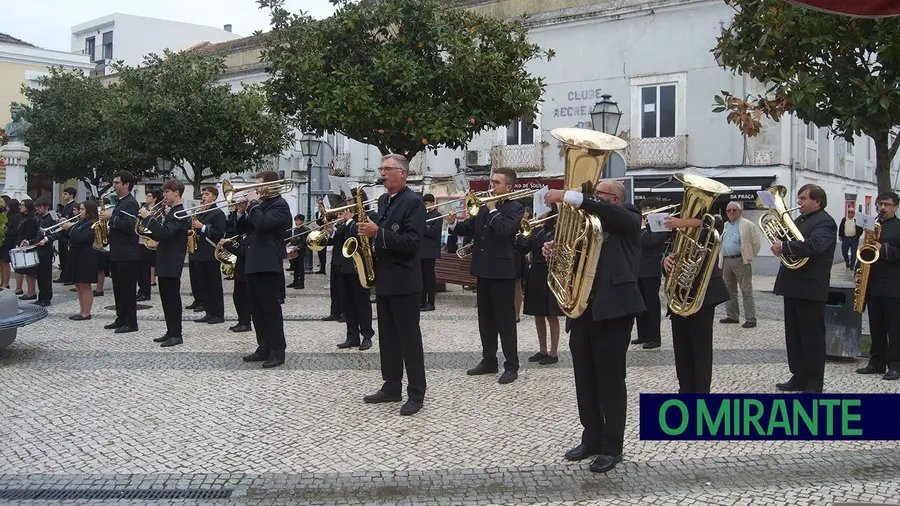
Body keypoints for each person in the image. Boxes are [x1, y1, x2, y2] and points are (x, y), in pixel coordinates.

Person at [543, 179, 644, 474]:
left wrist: (571, 195)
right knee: (585, 379)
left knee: (611, 381)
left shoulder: (628, 215)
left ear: (612, 198)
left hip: (614, 311)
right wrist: (557, 250)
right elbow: (574, 261)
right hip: (583, 309)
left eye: (596, 194)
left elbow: (609, 213)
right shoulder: (586, 226)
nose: (590, 198)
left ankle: (613, 447)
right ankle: (591, 438)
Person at [357, 154, 427, 416]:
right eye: (382, 169)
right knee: (387, 338)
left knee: (409, 339)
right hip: (385, 278)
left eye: (388, 169)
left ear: (403, 173)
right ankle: (391, 386)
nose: (383, 173)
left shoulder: (414, 202)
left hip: (405, 280)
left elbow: (411, 243)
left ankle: (416, 392)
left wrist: (379, 233)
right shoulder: (385, 200)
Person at [446, 168, 526, 384]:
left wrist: (492, 209)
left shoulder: (516, 208)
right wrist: (453, 223)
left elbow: (503, 230)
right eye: (492, 182)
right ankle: (489, 360)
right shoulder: (481, 208)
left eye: (497, 183)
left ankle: (512, 365)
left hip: (502, 272)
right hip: (482, 270)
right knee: (486, 319)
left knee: (505, 320)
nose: (492, 186)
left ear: (508, 187)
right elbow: (467, 229)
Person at [772, 184, 837, 393]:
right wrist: (780, 242)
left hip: (810, 288)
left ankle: (814, 382)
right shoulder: (799, 220)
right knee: (794, 336)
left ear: (817, 202)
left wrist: (785, 246)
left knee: (812, 338)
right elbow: (788, 242)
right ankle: (798, 376)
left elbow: (815, 246)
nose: (798, 202)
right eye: (799, 198)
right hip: (792, 285)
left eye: (803, 199)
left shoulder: (826, 222)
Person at [662, 213, 730, 393]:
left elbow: (716, 224)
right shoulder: (683, 230)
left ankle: (700, 394)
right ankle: (685, 390)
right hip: (680, 293)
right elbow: (674, 255)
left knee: (700, 350)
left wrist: (683, 222)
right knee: (681, 350)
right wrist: (667, 262)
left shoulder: (709, 224)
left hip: (703, 296)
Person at [236, 171, 292, 368]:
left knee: (270, 309)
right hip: (252, 261)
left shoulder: (280, 205)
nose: (255, 188)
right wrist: (242, 211)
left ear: (271, 185)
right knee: (256, 309)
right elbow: (241, 228)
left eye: (259, 184)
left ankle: (278, 350)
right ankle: (263, 346)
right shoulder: (259, 206)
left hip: (268, 263)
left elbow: (262, 224)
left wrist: (252, 205)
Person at [139, 180, 191, 347]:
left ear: (176, 192)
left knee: (172, 299)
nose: (164, 196)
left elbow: (166, 233)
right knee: (166, 298)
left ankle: (176, 334)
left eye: (167, 192)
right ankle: (170, 331)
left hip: (172, 260)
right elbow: (161, 235)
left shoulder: (180, 213)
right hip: (165, 258)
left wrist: (149, 219)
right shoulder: (172, 211)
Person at [856, 191, 900, 381]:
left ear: (896, 206)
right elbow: (865, 250)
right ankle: (876, 362)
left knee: (895, 328)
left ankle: (895, 365)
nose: (882, 208)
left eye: (887, 204)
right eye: (879, 204)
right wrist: (859, 269)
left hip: (894, 285)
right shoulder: (873, 226)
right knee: (876, 326)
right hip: (873, 283)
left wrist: (885, 249)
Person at [516, 204, 563, 365]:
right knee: (538, 313)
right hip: (535, 271)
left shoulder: (557, 230)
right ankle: (542, 349)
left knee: (551, 314)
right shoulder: (536, 230)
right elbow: (523, 248)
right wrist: (522, 234)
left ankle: (554, 352)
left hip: (550, 272)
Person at [100, 170, 141, 334]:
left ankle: (131, 322)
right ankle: (121, 317)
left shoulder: (131, 202)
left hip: (128, 254)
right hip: (117, 252)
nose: (114, 185)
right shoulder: (120, 202)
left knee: (128, 290)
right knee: (118, 288)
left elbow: (131, 226)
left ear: (126, 184)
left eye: (117, 183)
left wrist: (111, 219)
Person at [333, 204, 375, 351]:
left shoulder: (363, 219)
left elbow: (355, 236)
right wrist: (331, 229)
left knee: (362, 303)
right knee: (347, 304)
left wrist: (350, 220)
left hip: (359, 268)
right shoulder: (346, 223)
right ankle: (352, 336)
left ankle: (367, 336)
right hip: (345, 267)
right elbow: (339, 239)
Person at [719, 201, 761, 328]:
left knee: (746, 290)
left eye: (734, 210)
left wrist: (748, 256)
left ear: (740, 211)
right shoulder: (725, 225)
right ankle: (732, 316)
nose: (731, 212)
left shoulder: (747, 224)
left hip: (740, 260)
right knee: (729, 290)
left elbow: (756, 243)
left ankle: (751, 318)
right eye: (729, 210)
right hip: (727, 260)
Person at [187, 186, 226, 324]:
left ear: (214, 197)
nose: (203, 196)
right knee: (204, 285)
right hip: (199, 253)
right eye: (202, 194)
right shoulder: (201, 212)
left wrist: (201, 227)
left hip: (211, 253)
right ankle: (209, 312)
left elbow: (219, 233)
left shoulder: (218, 213)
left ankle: (218, 314)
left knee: (214, 285)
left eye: (207, 194)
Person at [633, 197, 669, 349]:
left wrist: (641, 227)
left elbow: (648, 241)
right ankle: (643, 335)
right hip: (638, 269)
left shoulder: (661, 223)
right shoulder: (643, 225)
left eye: (647, 209)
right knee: (640, 304)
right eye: (643, 209)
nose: (644, 212)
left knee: (652, 305)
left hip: (651, 269)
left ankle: (654, 338)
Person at [61, 201, 99, 320]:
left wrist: (70, 228)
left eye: (82, 209)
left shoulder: (92, 224)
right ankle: (81, 310)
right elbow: (72, 236)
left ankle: (86, 312)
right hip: (76, 254)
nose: (80, 212)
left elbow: (82, 238)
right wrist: (65, 229)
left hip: (85, 256)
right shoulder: (81, 222)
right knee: (78, 284)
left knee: (84, 285)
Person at [20, 196, 56, 307]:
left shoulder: (51, 219)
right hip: (39, 251)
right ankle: (41, 297)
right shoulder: (40, 219)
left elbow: (54, 235)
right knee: (40, 276)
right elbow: (38, 236)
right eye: (37, 207)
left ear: (46, 207)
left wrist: (46, 240)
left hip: (46, 251)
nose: (38, 209)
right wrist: (29, 242)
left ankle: (46, 298)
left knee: (46, 276)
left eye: (40, 207)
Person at [137, 189, 162, 302]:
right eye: (146, 195)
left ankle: (146, 292)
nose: (147, 198)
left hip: (149, 242)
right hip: (140, 241)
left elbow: (157, 226)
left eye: (149, 196)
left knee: (146, 268)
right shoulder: (144, 209)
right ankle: (141, 290)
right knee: (140, 269)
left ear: (155, 198)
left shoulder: (158, 211)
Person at [420, 194, 441, 311]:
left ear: (433, 203)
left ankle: (431, 302)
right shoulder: (423, 215)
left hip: (430, 251)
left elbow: (433, 233)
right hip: (421, 250)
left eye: (427, 204)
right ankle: (421, 301)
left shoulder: (437, 216)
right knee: (421, 277)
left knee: (429, 277)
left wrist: (423, 225)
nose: (425, 206)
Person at [15, 200, 38, 300]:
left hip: (28, 245)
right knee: (26, 271)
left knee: (30, 271)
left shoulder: (32, 219)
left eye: (23, 205)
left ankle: (31, 292)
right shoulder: (23, 218)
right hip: (22, 244)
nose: (20, 207)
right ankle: (30, 292)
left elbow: (30, 233)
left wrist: (26, 242)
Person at [56, 187, 77, 285]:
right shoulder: (66, 206)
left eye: (65, 194)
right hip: (62, 234)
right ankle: (63, 275)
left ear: (71, 195)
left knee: (68, 257)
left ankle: (69, 277)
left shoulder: (73, 206)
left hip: (67, 235)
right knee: (62, 256)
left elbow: (73, 219)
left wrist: (65, 220)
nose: (63, 196)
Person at [0, 198, 21, 291]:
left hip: (10, 241)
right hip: (4, 240)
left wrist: (5, 228)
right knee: (1, 262)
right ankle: (2, 281)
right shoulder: (7, 214)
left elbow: (16, 231)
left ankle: (6, 283)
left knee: (5, 262)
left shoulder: (16, 216)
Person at [287, 214, 308, 289]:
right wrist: (290, 243)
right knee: (295, 266)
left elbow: (304, 242)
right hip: (294, 250)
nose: (296, 222)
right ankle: (295, 281)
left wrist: (298, 247)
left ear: (302, 221)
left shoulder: (305, 230)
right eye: (295, 220)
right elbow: (294, 240)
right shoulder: (295, 230)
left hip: (300, 251)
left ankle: (301, 283)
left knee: (300, 267)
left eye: (298, 220)